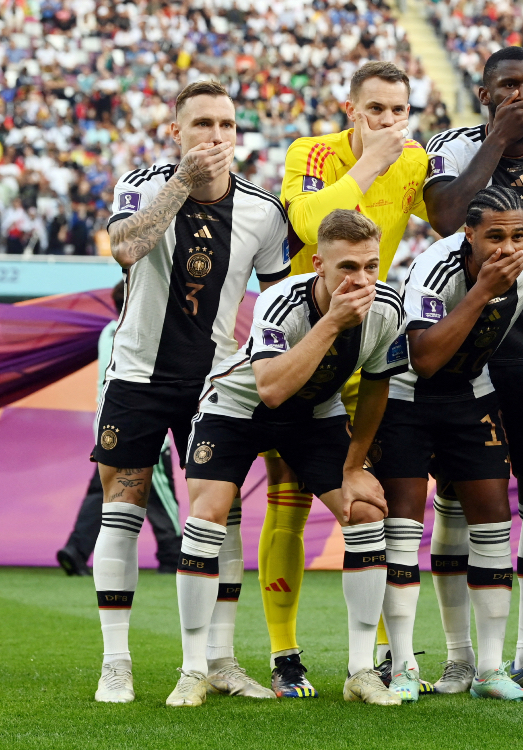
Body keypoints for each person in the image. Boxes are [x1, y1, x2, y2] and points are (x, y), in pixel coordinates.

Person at [91, 80, 291, 704]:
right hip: (137, 376)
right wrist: (181, 183)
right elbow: (124, 248)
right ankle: (116, 663)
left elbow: (279, 302)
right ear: (175, 131)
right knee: (121, 509)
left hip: (216, 386)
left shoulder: (263, 212)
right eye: (201, 123)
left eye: (226, 125)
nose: (216, 136)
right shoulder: (144, 185)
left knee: (222, 519)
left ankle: (218, 661)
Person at [167, 209, 407, 707]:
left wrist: (354, 466)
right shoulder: (282, 301)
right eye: (347, 268)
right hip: (237, 408)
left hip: (314, 416)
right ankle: (193, 670)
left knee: (365, 513)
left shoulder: (387, 309)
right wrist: (335, 321)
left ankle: (361, 670)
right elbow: (271, 389)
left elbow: (379, 387)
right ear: (318, 264)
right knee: (207, 518)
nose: (361, 280)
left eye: (370, 266)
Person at [421, 46, 523, 694]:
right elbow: (443, 217)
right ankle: (461, 657)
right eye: (508, 85)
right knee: (459, 499)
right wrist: (496, 140)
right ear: (485, 93)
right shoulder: (454, 147)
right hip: (461, 355)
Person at [263, 60, 429, 698]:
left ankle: (382, 655)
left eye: (399, 111)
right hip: (301, 341)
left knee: (374, 495)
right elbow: (309, 224)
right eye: (377, 110)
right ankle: (285, 654)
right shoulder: (311, 152)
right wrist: (368, 166)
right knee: (290, 496)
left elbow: (448, 219)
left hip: (365, 346)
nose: (389, 122)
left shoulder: (414, 161)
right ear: (352, 111)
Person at [374, 186, 523, 701]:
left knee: (492, 521)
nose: (509, 248)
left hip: (471, 394)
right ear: (469, 234)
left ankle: (487, 669)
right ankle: (403, 668)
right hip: (407, 397)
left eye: (518, 236)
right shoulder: (434, 269)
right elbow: (425, 359)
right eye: (495, 237)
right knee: (402, 529)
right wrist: (483, 291)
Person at [58, 283, 182, 578]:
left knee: (102, 489)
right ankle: (172, 552)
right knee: (160, 491)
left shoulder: (108, 332)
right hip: (144, 425)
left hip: (106, 424)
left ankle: (76, 549)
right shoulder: (144, 333)